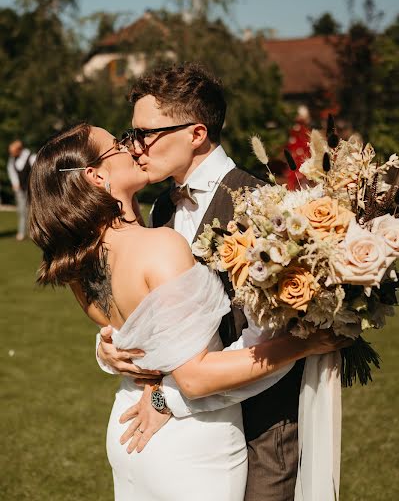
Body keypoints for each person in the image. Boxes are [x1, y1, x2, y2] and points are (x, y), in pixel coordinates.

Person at [28, 122, 346, 501]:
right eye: (117, 144)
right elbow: (194, 378)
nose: (132, 148)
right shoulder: (159, 244)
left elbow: (127, 333)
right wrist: (303, 343)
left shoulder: (79, 262)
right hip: (189, 443)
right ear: (97, 176)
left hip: (128, 426)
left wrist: (106, 351)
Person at [95, 64, 318, 500]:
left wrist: (169, 400)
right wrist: (109, 347)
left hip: (260, 428)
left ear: (196, 133)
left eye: (146, 134)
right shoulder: (160, 209)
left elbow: (269, 339)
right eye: (130, 134)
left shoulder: (263, 207)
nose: (134, 147)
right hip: (185, 434)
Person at [7, 139, 36, 240]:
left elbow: (36, 172)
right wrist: (15, 183)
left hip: (31, 189)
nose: (11, 154)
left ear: (19, 150)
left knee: (32, 210)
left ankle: (33, 231)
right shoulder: (12, 159)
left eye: (13, 151)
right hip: (20, 189)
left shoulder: (31, 157)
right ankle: (22, 232)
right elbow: (11, 171)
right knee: (21, 211)